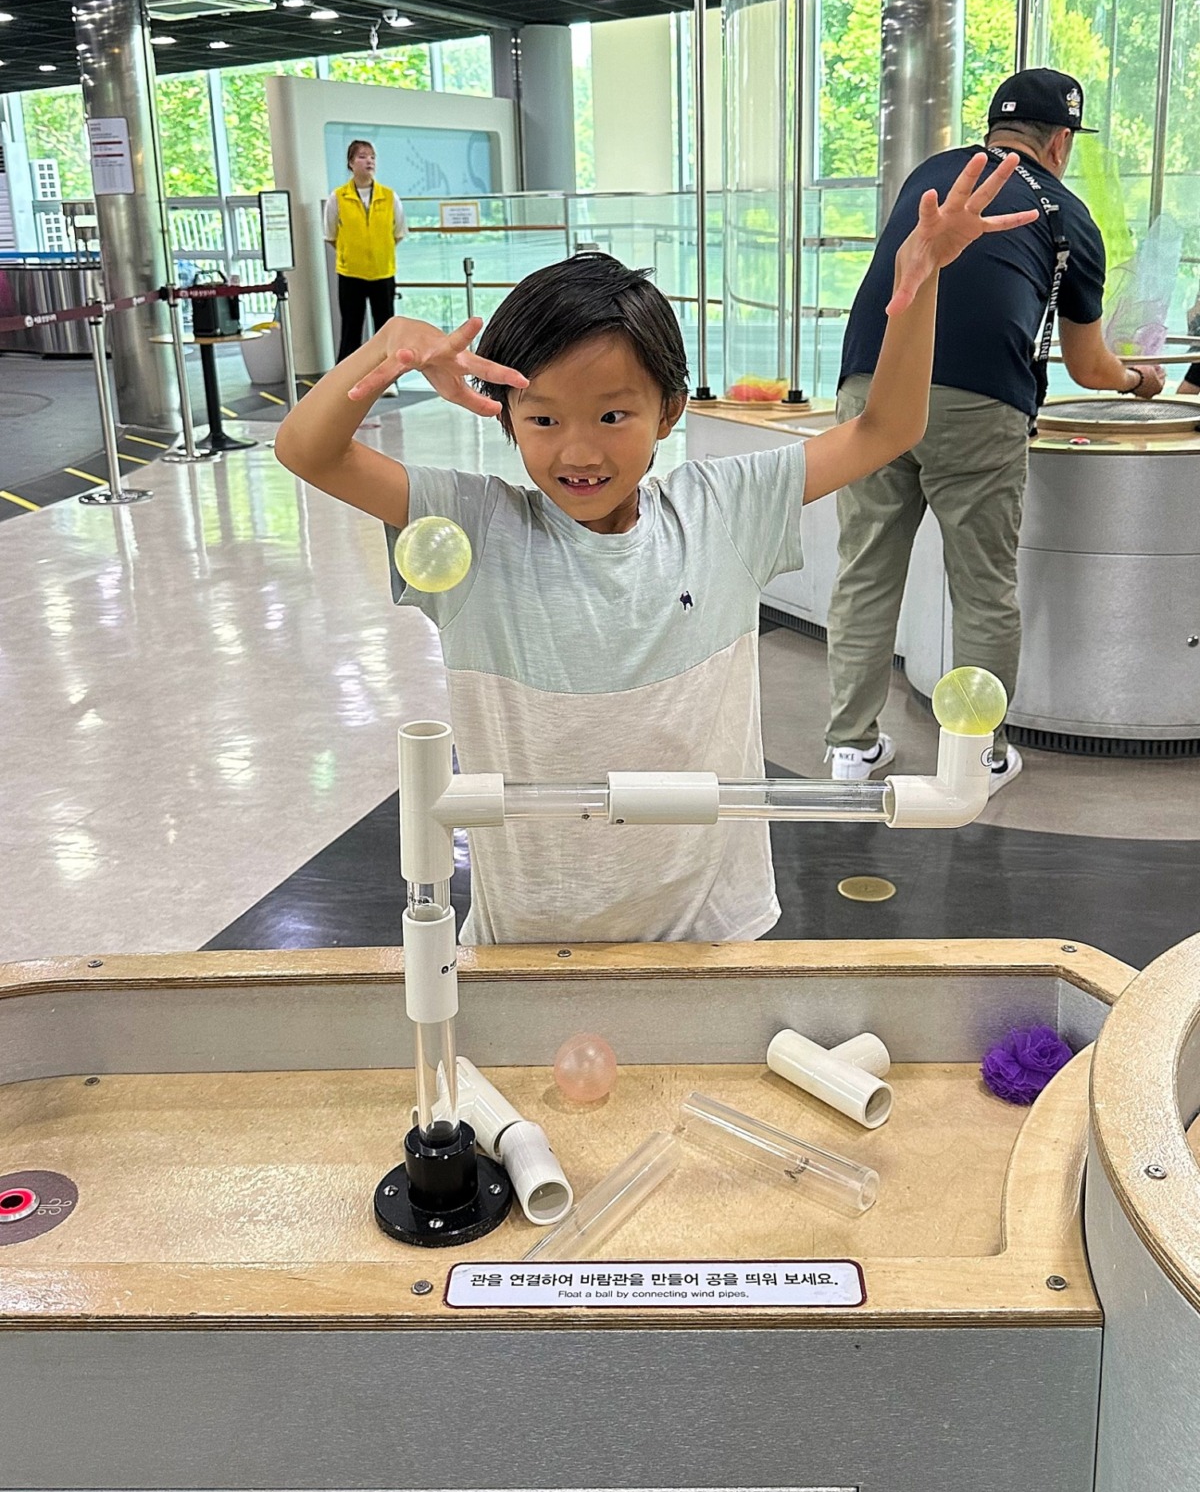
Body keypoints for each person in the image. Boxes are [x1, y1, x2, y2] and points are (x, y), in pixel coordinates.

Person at [276, 153, 1036, 946]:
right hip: (534, 936)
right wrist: (382, 346)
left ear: (669, 410)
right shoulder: (476, 528)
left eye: (612, 416)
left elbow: (886, 429)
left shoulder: (721, 510)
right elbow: (308, 450)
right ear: (501, 414)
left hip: (711, 923)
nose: (579, 451)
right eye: (542, 419)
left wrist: (921, 284)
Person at [824, 68, 1166, 795]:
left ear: (995, 130)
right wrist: (1141, 378)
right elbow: (1090, 365)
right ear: (1062, 141)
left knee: (866, 571)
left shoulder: (935, 172)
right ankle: (978, 754)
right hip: (980, 404)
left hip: (870, 382)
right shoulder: (1068, 215)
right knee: (980, 587)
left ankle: (851, 749)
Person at [325, 139, 408, 365]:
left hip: (383, 271)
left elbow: (398, 232)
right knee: (351, 329)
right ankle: (344, 379)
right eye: (362, 157)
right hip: (351, 273)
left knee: (386, 329)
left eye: (372, 156)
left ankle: (389, 379)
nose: (368, 161)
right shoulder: (338, 197)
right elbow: (331, 235)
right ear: (351, 163)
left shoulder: (390, 196)